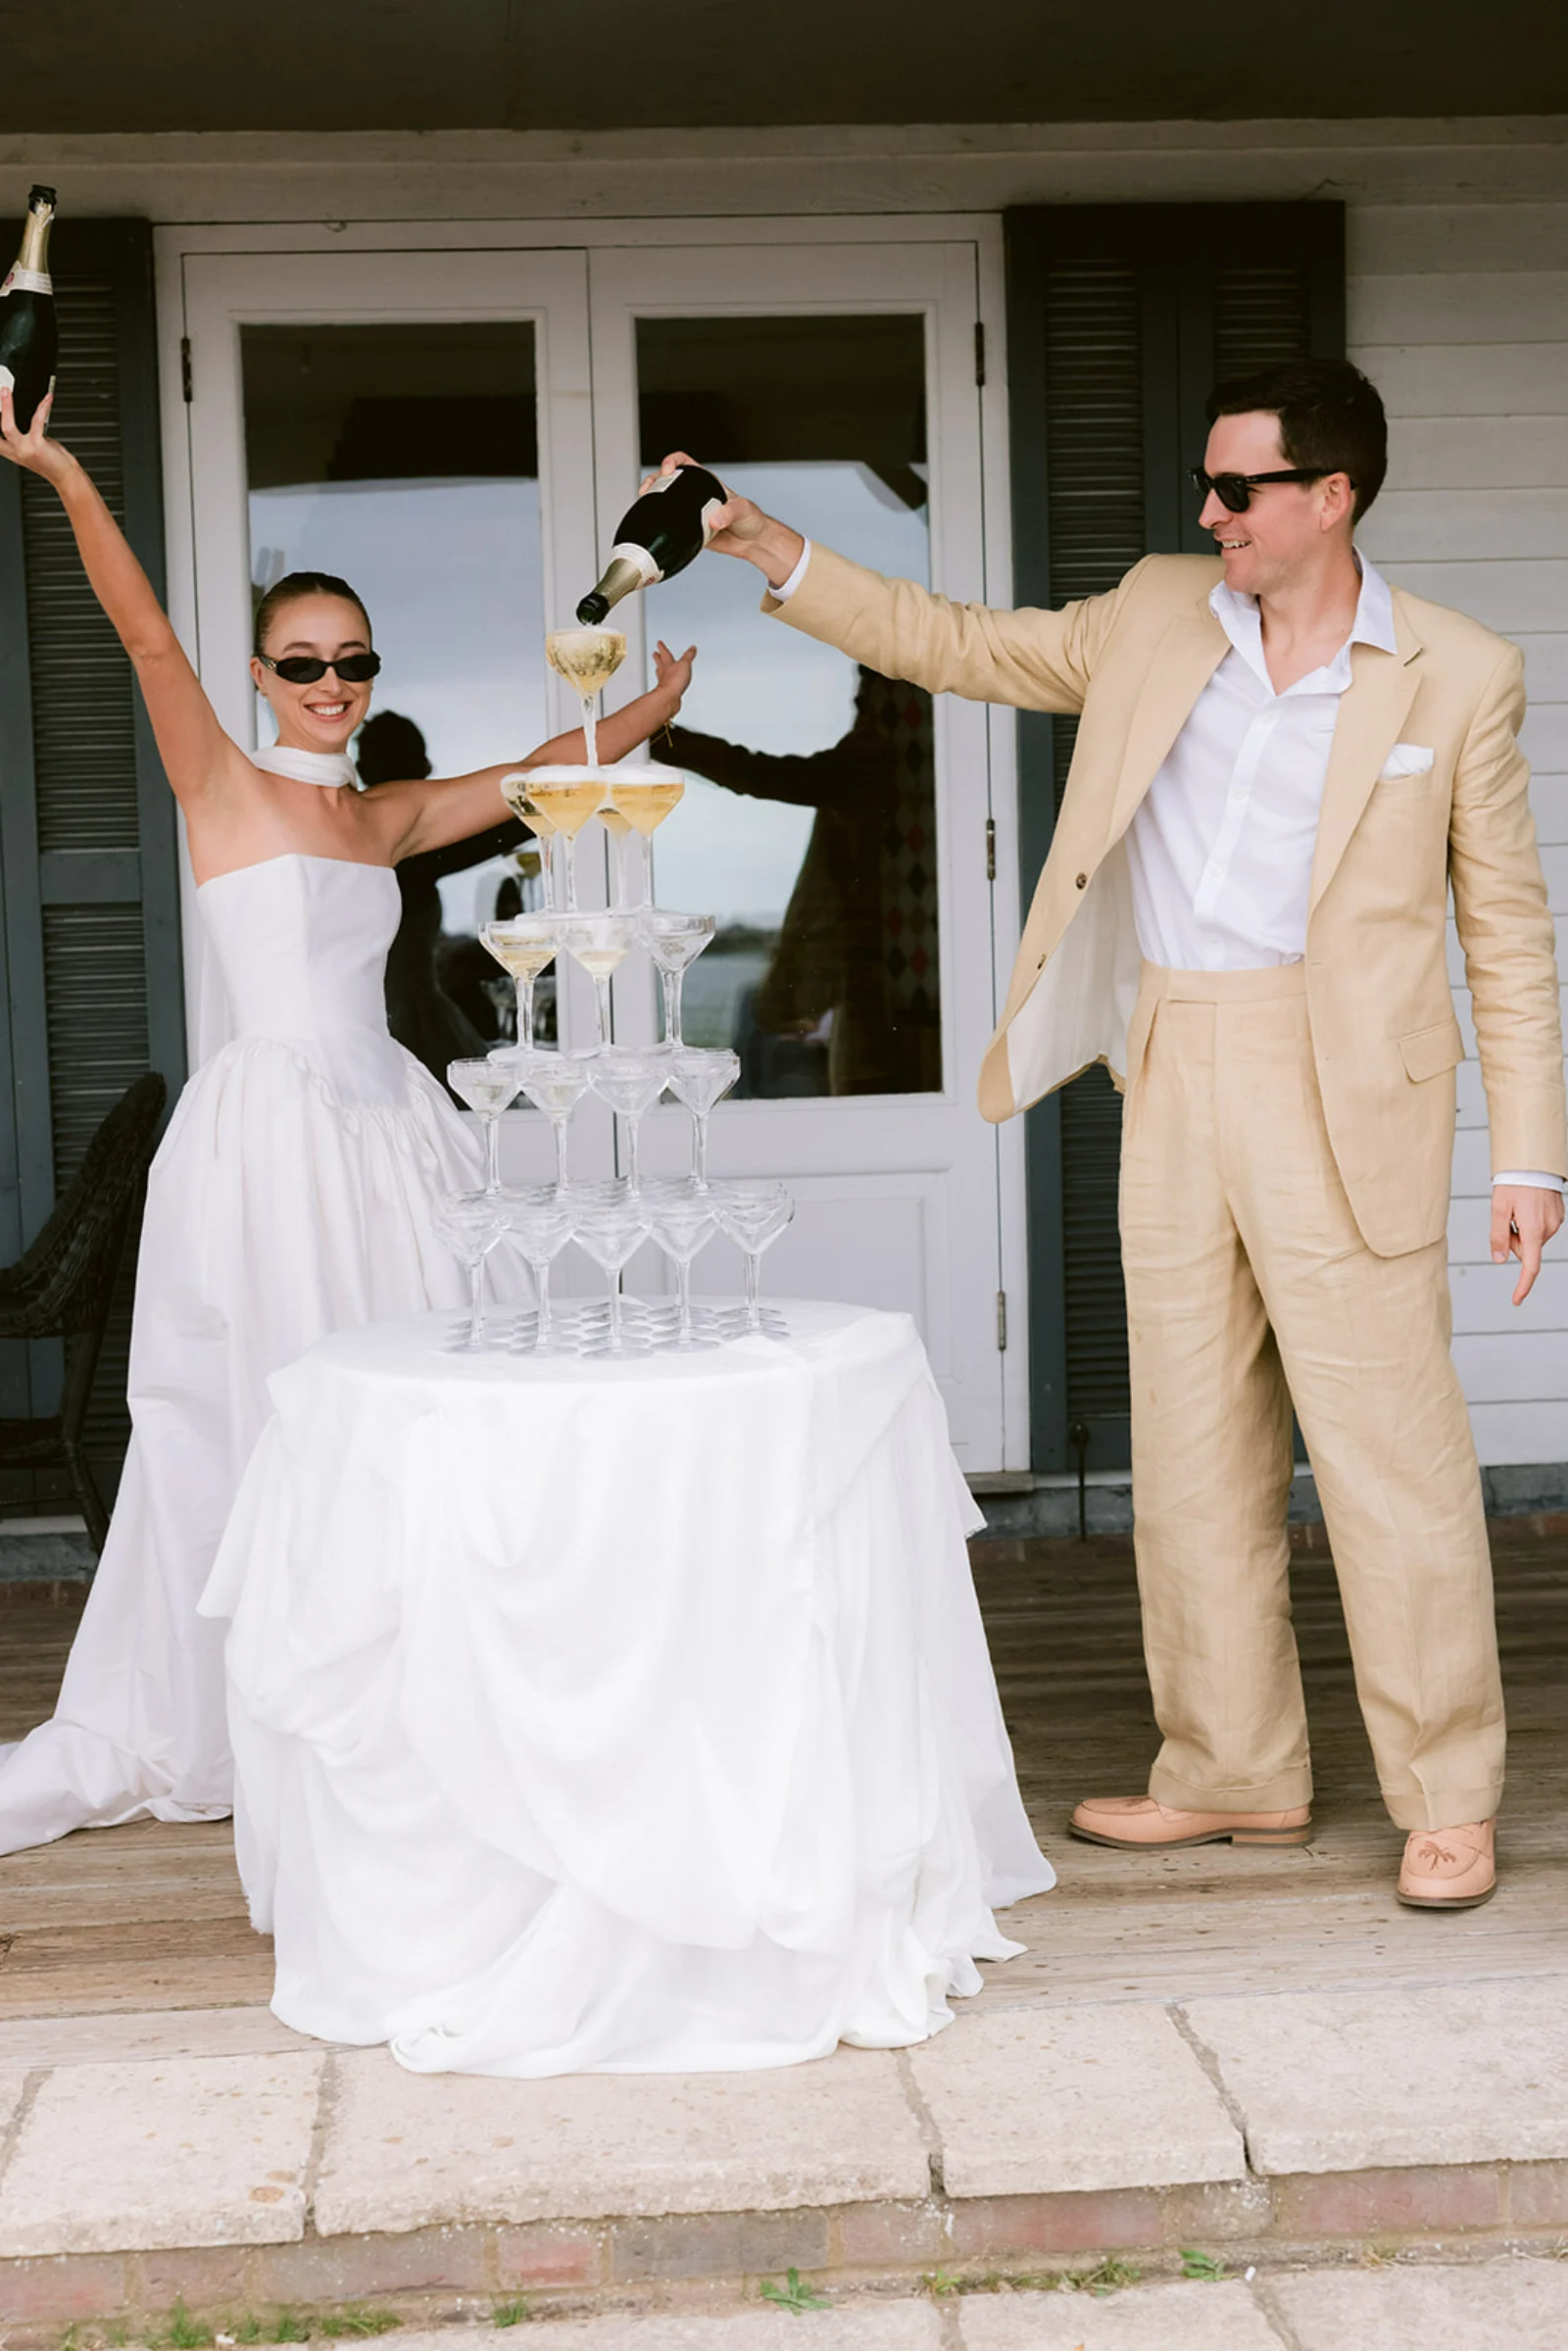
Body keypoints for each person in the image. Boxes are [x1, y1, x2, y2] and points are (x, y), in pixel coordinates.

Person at [658, 356, 1567, 1911]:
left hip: (1349, 1084)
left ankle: (1449, 1789)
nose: (1206, 512)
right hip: (1178, 1054)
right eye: (1206, 486)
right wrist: (761, 545)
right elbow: (952, 642)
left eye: (1239, 490)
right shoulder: (1155, 613)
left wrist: (1531, 1159)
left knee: (1390, 1460)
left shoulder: (1457, 672)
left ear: (1331, 495)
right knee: (1192, 1451)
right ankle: (1233, 1770)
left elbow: (1508, 930)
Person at [0, 385, 693, 1855]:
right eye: (304, 661)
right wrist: (60, 469)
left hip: (392, 1130)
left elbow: (535, 781)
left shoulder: (377, 815)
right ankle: (269, 1704)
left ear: (374, 675)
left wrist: (649, 708)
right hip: (274, 1140)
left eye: (353, 661)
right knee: (259, 1421)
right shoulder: (222, 786)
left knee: (429, 1414)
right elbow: (142, 637)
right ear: (263, 673)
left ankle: (419, 1690)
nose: (331, 681)